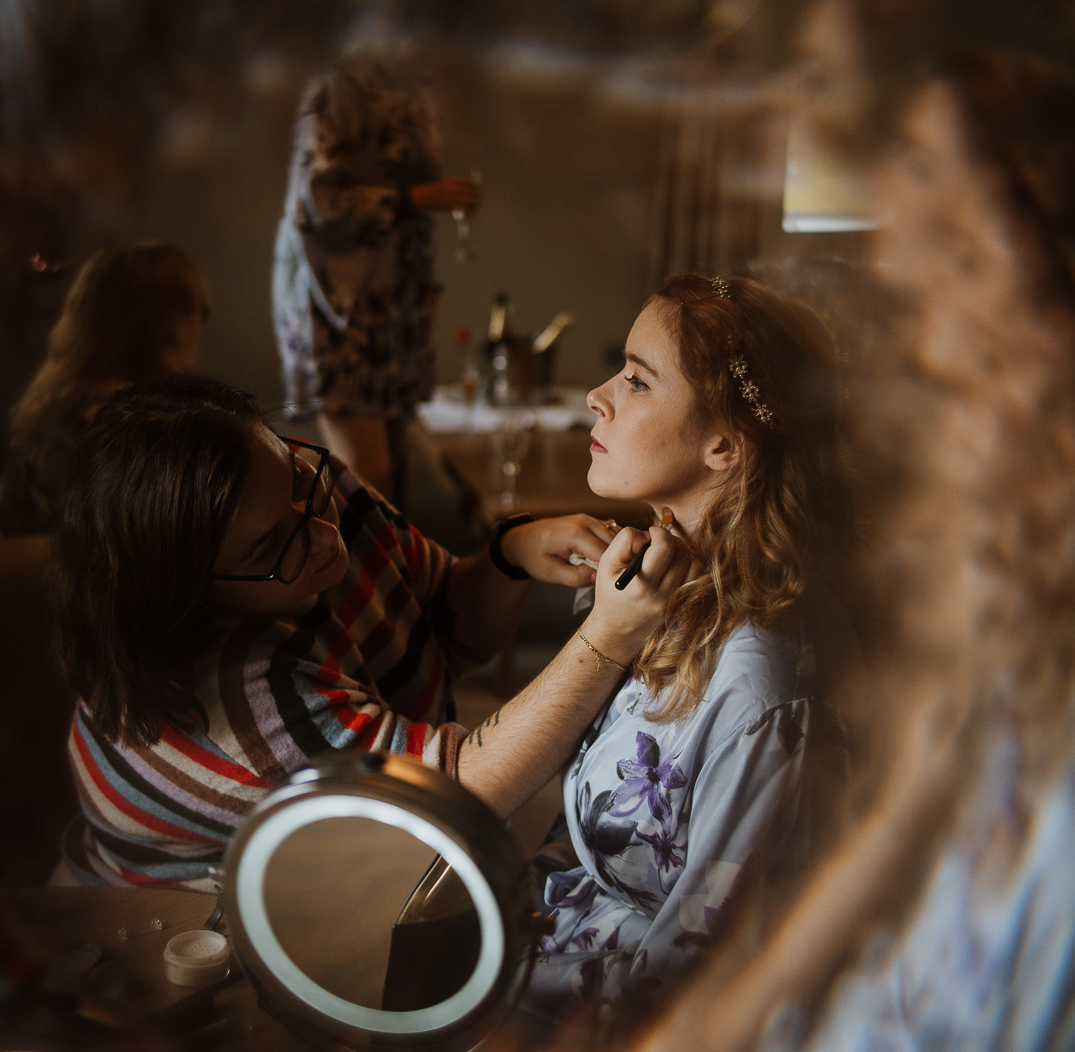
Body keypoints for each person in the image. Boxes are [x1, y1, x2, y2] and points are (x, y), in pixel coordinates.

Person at [637, 0, 1075, 1052]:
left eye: (955, 252)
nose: (919, 333)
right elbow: (897, 824)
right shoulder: (1002, 578)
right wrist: (705, 1022)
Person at [52, 374, 691, 889]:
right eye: (275, 549)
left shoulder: (301, 493)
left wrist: (506, 554)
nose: (329, 539)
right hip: (179, 919)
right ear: (196, 594)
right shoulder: (235, 698)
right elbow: (453, 793)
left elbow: (441, 625)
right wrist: (607, 637)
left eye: (302, 480)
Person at [521, 273, 856, 1028]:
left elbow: (699, 977)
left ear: (724, 446)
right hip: (572, 947)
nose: (596, 395)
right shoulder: (661, 586)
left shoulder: (762, 686)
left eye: (637, 379)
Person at [272, 48, 480, 497]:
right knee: (368, 481)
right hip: (339, 307)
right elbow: (319, 204)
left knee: (394, 479)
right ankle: (349, 566)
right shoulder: (338, 89)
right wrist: (419, 198)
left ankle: (397, 568)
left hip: (393, 311)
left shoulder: (414, 89)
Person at [0, 241, 210, 534]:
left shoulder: (47, 406)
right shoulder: (128, 423)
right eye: (195, 311)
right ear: (164, 327)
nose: (198, 328)